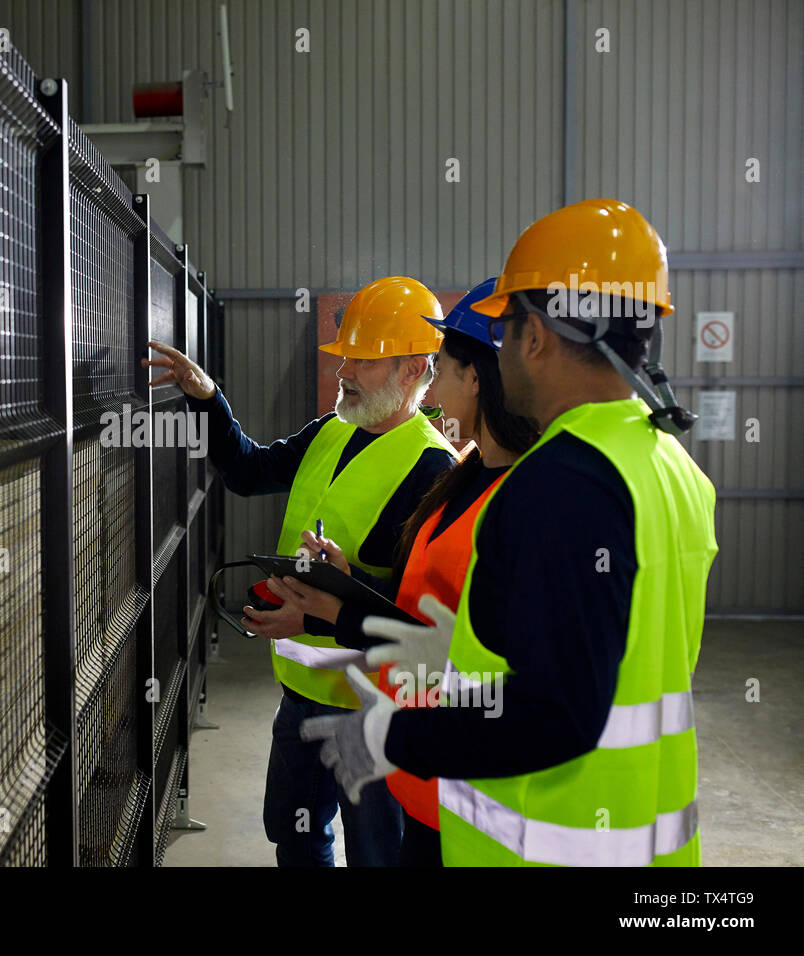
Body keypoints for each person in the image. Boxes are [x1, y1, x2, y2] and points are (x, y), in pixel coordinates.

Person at [300, 199, 718, 866]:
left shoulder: (562, 482)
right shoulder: (667, 464)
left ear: (534, 338)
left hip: (550, 845)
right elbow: (606, 650)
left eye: (508, 331)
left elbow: (555, 715)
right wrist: (460, 654)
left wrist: (391, 737)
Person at [143, 275, 458, 867]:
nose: (344, 373)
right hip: (300, 690)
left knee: (376, 853)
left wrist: (341, 591)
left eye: (362, 361)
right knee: (296, 835)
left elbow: (419, 615)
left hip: (372, 705)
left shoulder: (433, 469)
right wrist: (208, 397)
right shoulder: (330, 432)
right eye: (345, 358)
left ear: (413, 370)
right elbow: (246, 471)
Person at [266, 277, 540, 866]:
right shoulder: (466, 478)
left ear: (477, 378)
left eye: (440, 366)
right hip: (412, 738)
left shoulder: (496, 489)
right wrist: (339, 598)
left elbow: (450, 636)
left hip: (441, 753)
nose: (433, 381)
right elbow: (415, 610)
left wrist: (340, 607)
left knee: (375, 850)